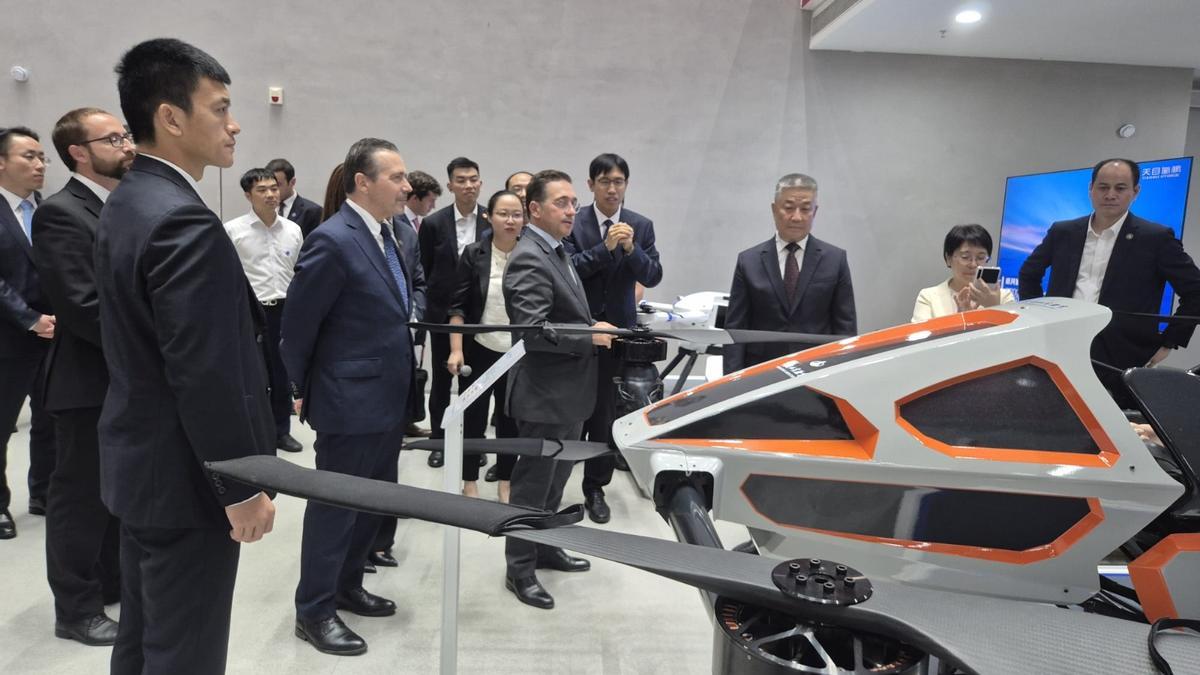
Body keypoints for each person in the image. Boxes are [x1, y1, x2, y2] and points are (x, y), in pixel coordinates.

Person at [96, 38, 277, 675]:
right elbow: (204, 371)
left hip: (143, 465)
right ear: (171, 117)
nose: (233, 124)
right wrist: (238, 487)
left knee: (146, 640)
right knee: (186, 653)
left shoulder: (128, 201)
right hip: (186, 479)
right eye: (220, 107)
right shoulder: (180, 219)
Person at [281, 138, 420, 656]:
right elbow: (297, 327)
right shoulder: (333, 240)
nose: (407, 186)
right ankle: (313, 610)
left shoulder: (394, 235)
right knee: (336, 506)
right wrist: (300, 389)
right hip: (348, 400)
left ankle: (347, 585)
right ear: (363, 182)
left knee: (373, 503)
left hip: (389, 396)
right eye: (397, 177)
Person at [31, 108, 131, 644]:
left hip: (120, 379)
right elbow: (80, 304)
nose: (126, 145)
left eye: (125, 135)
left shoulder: (117, 205)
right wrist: (149, 345)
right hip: (85, 380)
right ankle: (75, 609)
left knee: (114, 494)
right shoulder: (61, 212)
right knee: (79, 499)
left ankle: (109, 585)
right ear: (79, 152)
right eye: (113, 138)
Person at [502, 170, 615, 610]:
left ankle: (546, 548)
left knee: (555, 483)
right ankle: (520, 569)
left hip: (569, 392)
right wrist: (590, 336)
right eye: (561, 203)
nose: (572, 210)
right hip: (544, 394)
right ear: (534, 209)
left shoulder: (556, 250)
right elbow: (532, 330)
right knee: (532, 488)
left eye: (573, 203)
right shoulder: (529, 255)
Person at [1018, 158, 1200, 405]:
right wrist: (1039, 320)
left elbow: (1195, 291)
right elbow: (1029, 274)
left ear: (1135, 192)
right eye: (1103, 187)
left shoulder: (1155, 238)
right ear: (1091, 189)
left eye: (1120, 188)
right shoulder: (1064, 232)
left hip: (1122, 356)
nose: (1110, 195)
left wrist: (1170, 341)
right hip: (1061, 347)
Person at [564, 153, 662, 524]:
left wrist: (630, 250)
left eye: (619, 181)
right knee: (573, 408)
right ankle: (557, 478)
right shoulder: (576, 222)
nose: (612, 188)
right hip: (580, 328)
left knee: (606, 412)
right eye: (605, 181)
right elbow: (568, 270)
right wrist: (604, 250)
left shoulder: (641, 225)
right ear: (591, 185)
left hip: (618, 333)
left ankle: (595, 486)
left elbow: (652, 275)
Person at [723, 173, 856, 374]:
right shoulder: (748, 261)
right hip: (760, 372)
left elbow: (845, 329)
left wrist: (843, 376)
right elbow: (735, 330)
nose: (796, 217)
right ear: (774, 209)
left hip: (817, 371)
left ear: (815, 212)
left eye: (805, 209)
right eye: (788, 208)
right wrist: (731, 383)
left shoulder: (835, 260)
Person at [446, 190, 524, 502]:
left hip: (518, 353)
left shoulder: (530, 255)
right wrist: (456, 349)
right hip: (479, 349)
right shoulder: (474, 253)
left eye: (516, 214)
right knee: (474, 420)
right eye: (503, 213)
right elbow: (458, 307)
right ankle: (469, 480)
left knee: (510, 422)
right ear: (488, 217)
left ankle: (506, 480)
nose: (510, 220)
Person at [223, 168, 304, 453]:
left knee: (282, 375)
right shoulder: (233, 230)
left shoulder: (293, 230)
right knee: (254, 375)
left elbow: (298, 272)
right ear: (248, 195)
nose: (271, 195)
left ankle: (281, 431)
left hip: (285, 310)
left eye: (273, 188)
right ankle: (257, 433)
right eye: (262, 190)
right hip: (250, 311)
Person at [0, 126, 55, 540]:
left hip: (55, 336)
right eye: (29, 157)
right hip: (10, 338)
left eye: (42, 158)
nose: (39, 165)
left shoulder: (49, 210)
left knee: (51, 417)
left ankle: (44, 490)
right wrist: (29, 318)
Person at [419, 157, 489, 468]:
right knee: (443, 384)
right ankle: (439, 441)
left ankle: (474, 442)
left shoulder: (492, 220)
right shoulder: (434, 224)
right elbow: (425, 269)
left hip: (482, 317)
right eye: (461, 180)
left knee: (478, 384)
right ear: (450, 186)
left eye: (473, 179)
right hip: (442, 316)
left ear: (480, 183)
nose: (468, 185)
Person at [911, 224, 1015, 321]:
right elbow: (923, 339)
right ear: (948, 258)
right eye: (965, 257)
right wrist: (962, 320)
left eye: (981, 257)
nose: (973, 264)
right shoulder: (928, 297)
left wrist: (994, 307)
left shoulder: (1004, 296)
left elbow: (1015, 338)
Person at [267, 157, 323, 237]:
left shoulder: (312, 211)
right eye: (269, 186)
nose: (272, 191)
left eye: (278, 185)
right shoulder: (263, 207)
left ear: (292, 182)